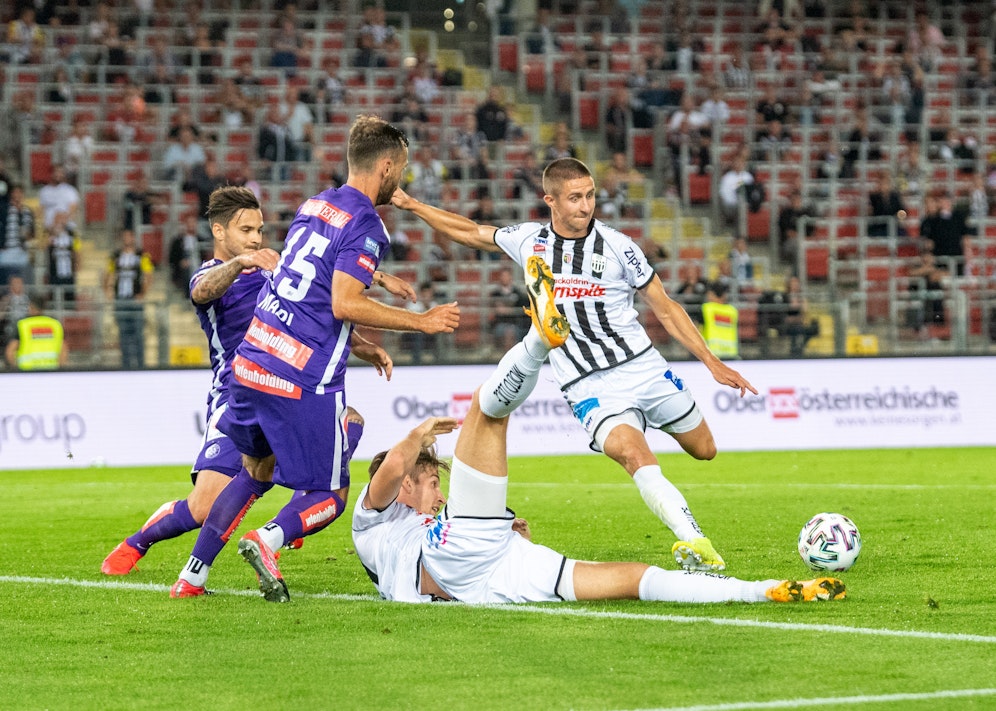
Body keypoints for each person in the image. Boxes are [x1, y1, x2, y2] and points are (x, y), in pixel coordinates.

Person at [392, 157, 757, 572]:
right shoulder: (530, 240)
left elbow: (667, 309)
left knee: (704, 450)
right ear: (550, 200)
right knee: (634, 455)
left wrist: (711, 361)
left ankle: (651, 426)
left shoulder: (619, 247)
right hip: (588, 385)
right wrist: (413, 206)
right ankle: (695, 543)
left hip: (644, 368)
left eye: (590, 196)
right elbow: (472, 232)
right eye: (575, 198)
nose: (585, 206)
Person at [352, 299, 845, 604]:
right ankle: (539, 341)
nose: (438, 491)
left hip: (489, 580)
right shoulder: (372, 520)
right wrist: (419, 433)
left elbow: (445, 511)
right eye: (432, 481)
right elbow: (393, 467)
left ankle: (764, 590)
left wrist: (509, 532)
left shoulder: (417, 525)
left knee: (631, 580)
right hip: (453, 558)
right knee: (486, 412)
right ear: (404, 488)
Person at [169, 115, 460, 600]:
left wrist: (379, 285)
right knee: (332, 493)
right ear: (386, 166)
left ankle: (192, 577)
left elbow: (305, 277)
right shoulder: (368, 223)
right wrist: (423, 320)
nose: (400, 180)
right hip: (302, 374)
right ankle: (267, 540)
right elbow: (342, 303)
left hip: (254, 355)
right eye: (401, 170)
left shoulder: (316, 204)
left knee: (256, 469)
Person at [101, 186, 408, 576]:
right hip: (235, 394)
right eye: (246, 230)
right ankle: (137, 543)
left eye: (259, 230)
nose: (256, 238)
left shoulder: (272, 270)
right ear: (218, 231)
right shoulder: (212, 275)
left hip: (281, 386)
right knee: (204, 506)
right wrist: (240, 263)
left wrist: (366, 332)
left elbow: (312, 314)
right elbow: (200, 291)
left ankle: (286, 521)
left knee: (350, 423)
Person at [103, 228, 154, 369]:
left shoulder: (141, 255)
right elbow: (107, 273)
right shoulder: (116, 256)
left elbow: (149, 275)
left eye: (129, 236)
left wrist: (142, 294)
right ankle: (126, 366)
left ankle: (140, 365)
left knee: (138, 333)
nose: (126, 240)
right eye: (124, 237)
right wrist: (107, 291)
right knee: (123, 334)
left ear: (133, 238)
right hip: (121, 299)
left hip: (134, 298)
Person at [5, 292, 67, 371]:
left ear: (31, 307)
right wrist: (60, 370)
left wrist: (16, 369)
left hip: (27, 373)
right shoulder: (55, 324)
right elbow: (63, 350)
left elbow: (10, 351)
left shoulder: (22, 325)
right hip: (51, 372)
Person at [488, 265, 529, 354]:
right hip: (499, 324)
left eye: (507, 276)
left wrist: (508, 311)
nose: (505, 278)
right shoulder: (495, 294)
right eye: (503, 276)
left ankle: (511, 355)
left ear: (511, 277)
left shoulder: (518, 293)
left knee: (511, 331)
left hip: (516, 324)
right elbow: (493, 311)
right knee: (505, 331)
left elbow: (522, 310)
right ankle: (506, 355)